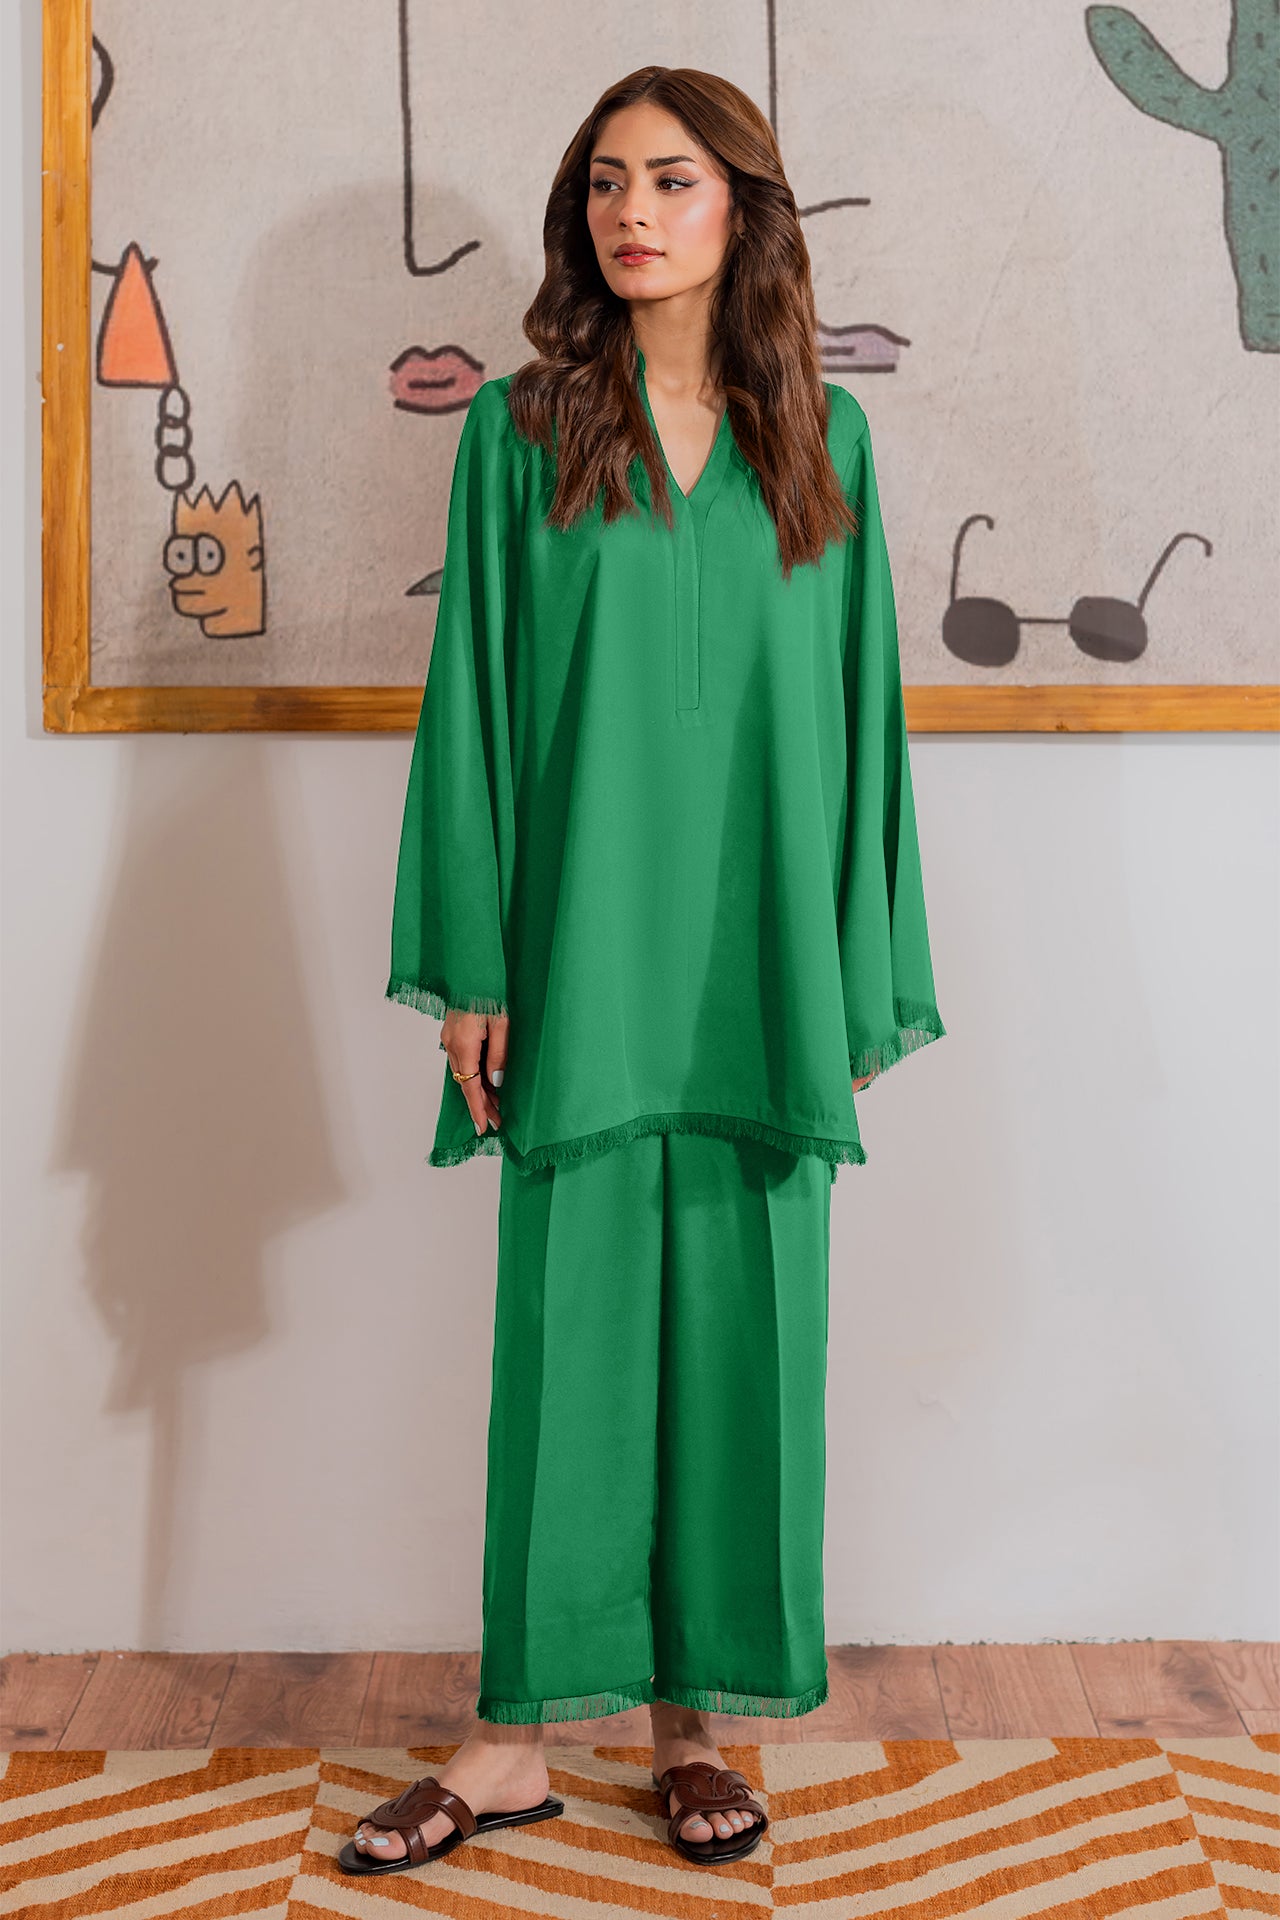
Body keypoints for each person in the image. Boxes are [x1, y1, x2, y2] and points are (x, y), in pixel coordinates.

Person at [341, 65, 946, 1877]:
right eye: (607, 183)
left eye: (672, 181)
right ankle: (512, 1740)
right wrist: (472, 964)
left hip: (759, 966)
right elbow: (475, 708)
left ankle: (700, 1729)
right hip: (582, 959)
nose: (632, 213)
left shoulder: (826, 441)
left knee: (751, 1341)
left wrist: (855, 965)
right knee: (568, 1351)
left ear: (742, 208)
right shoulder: (520, 433)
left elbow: (862, 713)